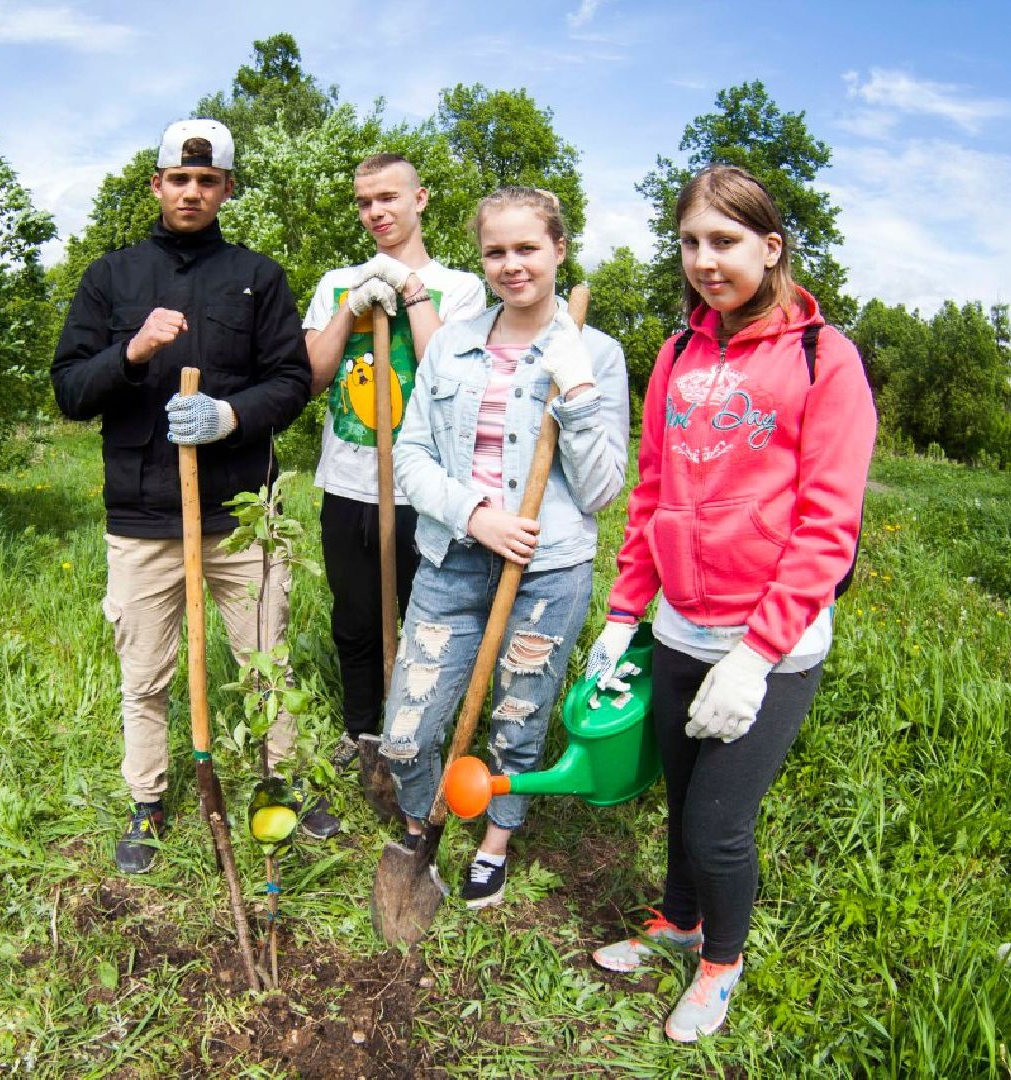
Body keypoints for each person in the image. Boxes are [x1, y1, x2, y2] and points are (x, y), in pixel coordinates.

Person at [582, 165, 876, 1042]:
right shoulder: (675, 354)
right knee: (679, 801)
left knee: (717, 826)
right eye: (689, 242)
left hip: (768, 646)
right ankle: (678, 924)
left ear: (771, 246)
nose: (704, 261)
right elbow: (650, 495)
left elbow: (829, 525)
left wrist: (756, 654)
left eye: (725, 241)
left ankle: (722, 964)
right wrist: (623, 614)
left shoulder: (827, 358)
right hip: (677, 629)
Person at [51, 118, 336, 875]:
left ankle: (280, 783)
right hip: (144, 519)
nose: (191, 191)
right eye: (179, 178)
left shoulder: (258, 276)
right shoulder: (110, 278)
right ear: (156, 185)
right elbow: (71, 391)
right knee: (144, 675)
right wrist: (132, 352)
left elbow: (291, 380)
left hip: (242, 513)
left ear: (226, 190)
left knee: (264, 662)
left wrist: (230, 416)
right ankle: (147, 803)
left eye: (207, 181)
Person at [378, 187, 628, 908]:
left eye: (527, 248)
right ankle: (420, 827)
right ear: (480, 258)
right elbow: (414, 452)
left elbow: (602, 488)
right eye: (496, 251)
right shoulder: (454, 340)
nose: (511, 265)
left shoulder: (596, 352)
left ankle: (494, 841)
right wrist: (476, 513)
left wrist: (575, 388)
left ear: (558, 249)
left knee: (519, 718)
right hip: (453, 557)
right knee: (404, 731)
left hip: (547, 572)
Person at [301, 154, 487, 779]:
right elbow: (313, 376)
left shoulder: (460, 287)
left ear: (420, 200)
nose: (375, 212)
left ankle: (416, 740)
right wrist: (350, 308)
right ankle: (362, 732)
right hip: (349, 484)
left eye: (388, 198)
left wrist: (410, 291)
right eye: (363, 202)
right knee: (354, 620)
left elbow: (448, 376)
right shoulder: (334, 282)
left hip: (423, 490)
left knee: (425, 623)